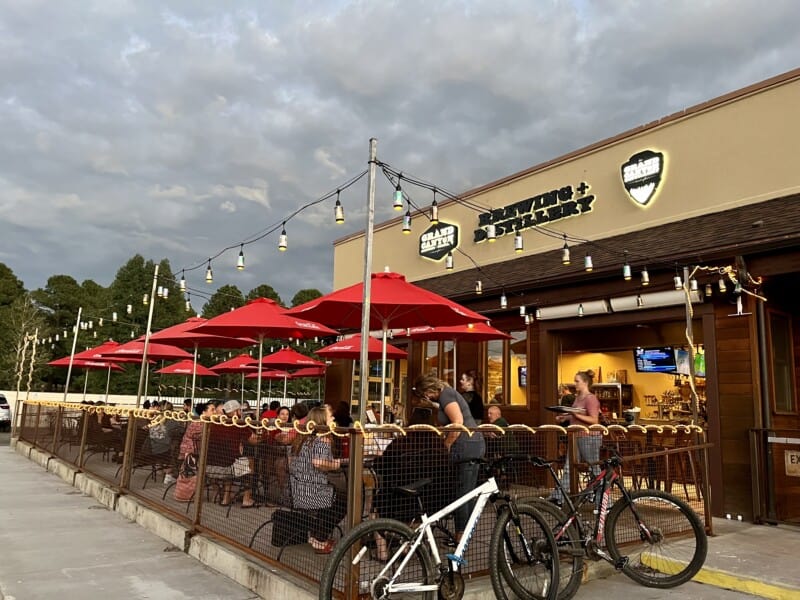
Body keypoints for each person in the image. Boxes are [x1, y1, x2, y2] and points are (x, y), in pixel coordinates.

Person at [412, 373, 485, 541]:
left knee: (463, 492)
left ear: (429, 389)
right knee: (465, 490)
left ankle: (461, 535)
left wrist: (447, 443)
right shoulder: (447, 396)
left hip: (467, 445)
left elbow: (458, 422)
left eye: (426, 394)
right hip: (473, 443)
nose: (426, 397)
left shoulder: (447, 394)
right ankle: (464, 531)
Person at [288, 405, 347, 555]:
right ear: (322, 421)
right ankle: (319, 539)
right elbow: (319, 463)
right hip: (313, 492)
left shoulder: (303, 439)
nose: (333, 418)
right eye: (330, 416)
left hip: (297, 489)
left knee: (335, 497)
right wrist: (339, 463)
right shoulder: (322, 439)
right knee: (343, 502)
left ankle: (316, 535)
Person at [549, 369, 602, 505]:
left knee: (594, 468)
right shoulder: (578, 398)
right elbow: (575, 415)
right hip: (576, 436)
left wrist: (575, 415)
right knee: (568, 468)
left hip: (589, 437)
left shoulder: (591, 399)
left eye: (577, 381)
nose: (575, 384)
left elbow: (594, 420)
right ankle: (559, 497)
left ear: (585, 382)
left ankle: (604, 500)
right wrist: (564, 417)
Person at [206, 400, 259, 508]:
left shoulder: (215, 423)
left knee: (230, 459)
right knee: (250, 462)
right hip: (227, 468)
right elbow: (253, 441)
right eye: (239, 410)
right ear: (236, 411)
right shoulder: (238, 424)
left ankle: (226, 498)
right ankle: (246, 498)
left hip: (209, 467)